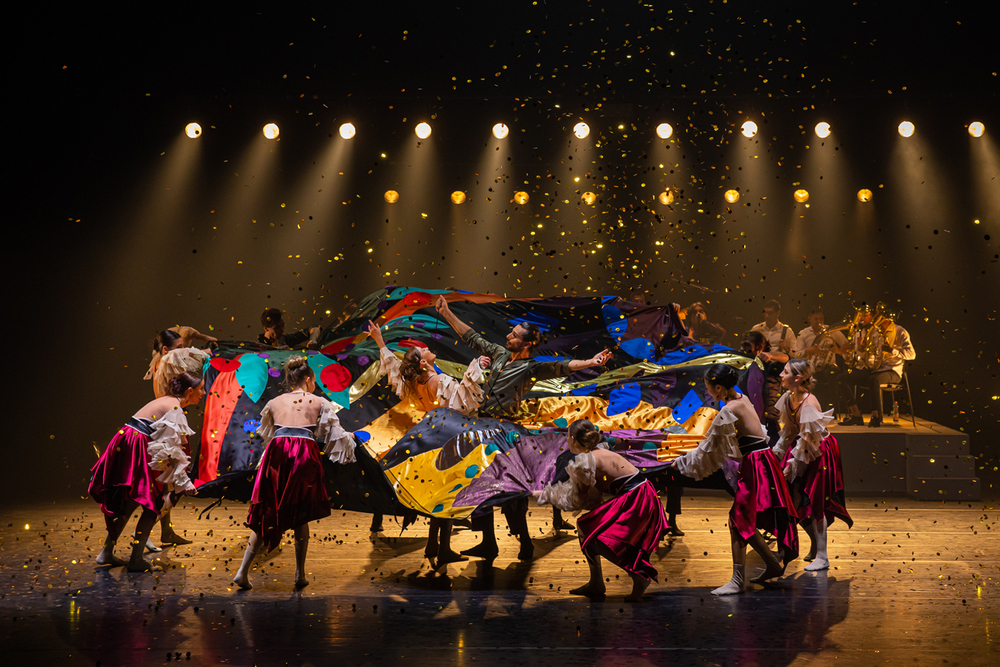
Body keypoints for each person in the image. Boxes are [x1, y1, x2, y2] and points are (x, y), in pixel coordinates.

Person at [434, 295, 612, 561]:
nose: (508, 336)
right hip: (482, 426)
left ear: (527, 344)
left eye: (514, 335)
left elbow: (562, 366)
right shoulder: (499, 353)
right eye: (511, 332)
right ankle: (489, 543)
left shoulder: (531, 368)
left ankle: (525, 542)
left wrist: (590, 362)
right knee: (481, 485)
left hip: (504, 432)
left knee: (508, 491)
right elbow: (471, 336)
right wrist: (446, 313)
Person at [367, 320, 490, 566]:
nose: (428, 349)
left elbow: (393, 365)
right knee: (445, 494)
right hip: (447, 437)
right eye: (424, 351)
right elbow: (463, 399)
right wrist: (476, 365)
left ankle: (435, 545)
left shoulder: (413, 382)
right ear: (424, 362)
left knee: (439, 494)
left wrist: (379, 339)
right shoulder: (438, 382)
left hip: (428, 436)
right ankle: (441, 547)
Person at [671, 364, 798, 595]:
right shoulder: (743, 398)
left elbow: (709, 447)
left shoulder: (729, 410)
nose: (708, 392)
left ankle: (739, 580)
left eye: (709, 388)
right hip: (763, 459)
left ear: (718, 387)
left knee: (738, 519)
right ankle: (770, 564)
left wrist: (680, 463)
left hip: (757, 465)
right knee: (740, 519)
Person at [233, 357, 354, 590]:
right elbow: (336, 435)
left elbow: (269, 436)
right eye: (314, 381)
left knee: (267, 509)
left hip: (276, 453)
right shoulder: (319, 401)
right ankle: (299, 573)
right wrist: (353, 438)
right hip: (303, 453)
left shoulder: (274, 401)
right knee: (302, 512)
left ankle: (242, 571)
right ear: (308, 380)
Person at [534, 420, 668, 602]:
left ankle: (637, 575)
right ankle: (596, 583)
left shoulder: (586, 461)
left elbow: (578, 498)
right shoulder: (598, 452)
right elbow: (593, 497)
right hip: (641, 493)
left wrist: (545, 495)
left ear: (572, 439)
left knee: (593, 535)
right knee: (586, 527)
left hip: (636, 498)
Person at [89, 372, 204, 572]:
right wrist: (184, 482)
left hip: (129, 440)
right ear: (190, 391)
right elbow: (172, 451)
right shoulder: (175, 408)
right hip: (138, 444)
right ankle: (135, 559)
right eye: (201, 389)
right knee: (154, 501)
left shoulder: (169, 402)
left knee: (133, 500)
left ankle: (107, 552)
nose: (204, 393)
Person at [772, 359, 853, 571]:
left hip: (819, 451)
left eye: (785, 371)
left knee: (817, 499)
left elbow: (809, 443)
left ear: (797, 378)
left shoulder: (808, 404)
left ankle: (823, 557)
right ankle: (815, 545)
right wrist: (775, 455)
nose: (781, 374)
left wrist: (791, 467)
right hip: (803, 448)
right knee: (793, 499)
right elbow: (789, 433)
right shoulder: (789, 398)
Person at [839, 307, 915, 427]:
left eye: (880, 315)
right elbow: (870, 356)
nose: (876, 317)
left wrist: (892, 351)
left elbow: (912, 354)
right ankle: (856, 415)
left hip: (892, 371)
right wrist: (862, 349)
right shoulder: (874, 332)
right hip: (874, 370)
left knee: (873, 380)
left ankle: (875, 416)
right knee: (842, 378)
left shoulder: (899, 331)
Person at [792, 307, 847, 412]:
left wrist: (838, 350)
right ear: (809, 318)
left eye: (821, 319)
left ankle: (831, 408)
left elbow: (846, 346)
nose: (819, 322)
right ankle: (813, 408)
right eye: (816, 319)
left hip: (829, 367)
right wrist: (809, 350)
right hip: (811, 367)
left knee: (834, 374)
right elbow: (796, 354)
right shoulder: (803, 333)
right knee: (810, 377)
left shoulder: (831, 331)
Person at [740, 331, 783, 445]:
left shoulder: (771, 367)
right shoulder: (743, 367)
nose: (743, 349)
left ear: (760, 347)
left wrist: (772, 355)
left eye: (747, 345)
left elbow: (788, 360)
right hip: (749, 422)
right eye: (742, 345)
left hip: (768, 424)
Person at [144, 327, 218, 388]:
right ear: (165, 349)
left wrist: (200, 336)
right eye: (179, 347)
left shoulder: (167, 363)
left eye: (183, 346)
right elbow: (182, 353)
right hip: (169, 405)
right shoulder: (166, 361)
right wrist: (203, 351)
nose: (182, 349)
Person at [258, 307, 322, 350]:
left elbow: (315, 328)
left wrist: (313, 339)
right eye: (277, 327)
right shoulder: (258, 346)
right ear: (266, 328)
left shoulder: (283, 339)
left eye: (283, 325)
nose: (282, 329)